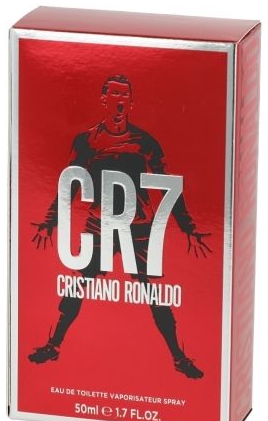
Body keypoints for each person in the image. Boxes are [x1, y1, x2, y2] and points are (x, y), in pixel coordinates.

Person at [29, 74, 210, 379]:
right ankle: (53, 345)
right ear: (104, 100)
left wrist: (189, 228)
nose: (120, 101)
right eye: (115, 94)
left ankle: (179, 358)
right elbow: (69, 184)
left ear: (131, 103)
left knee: (156, 293)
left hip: (138, 229)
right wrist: (50, 221)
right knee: (76, 285)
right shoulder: (86, 141)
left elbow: (167, 185)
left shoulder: (145, 142)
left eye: (125, 95)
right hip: (99, 226)